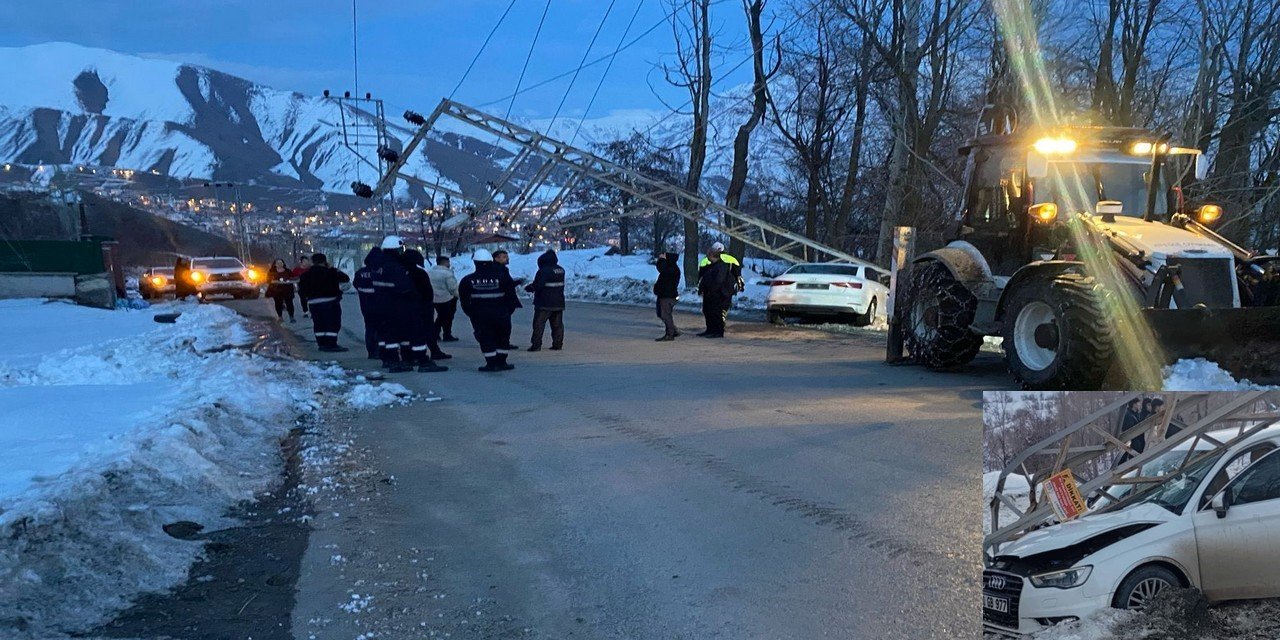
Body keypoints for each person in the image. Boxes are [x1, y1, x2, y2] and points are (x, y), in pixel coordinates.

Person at [459, 249, 519, 372]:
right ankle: (501, 362)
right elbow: (511, 297)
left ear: (475, 263)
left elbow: (464, 301)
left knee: (486, 338)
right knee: (503, 337)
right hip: (501, 314)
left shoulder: (467, 280)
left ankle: (491, 363)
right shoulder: (503, 278)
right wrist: (507, 312)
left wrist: (472, 314)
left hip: (480, 316)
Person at [400, 248, 450, 371]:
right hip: (421, 308)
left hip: (402, 309)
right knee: (425, 332)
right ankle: (425, 357)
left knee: (406, 334)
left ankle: (407, 357)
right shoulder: (420, 273)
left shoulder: (398, 272)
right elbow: (427, 292)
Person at [371, 236, 415, 373]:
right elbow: (404, 288)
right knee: (396, 336)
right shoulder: (396, 268)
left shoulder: (378, 266)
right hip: (396, 306)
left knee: (385, 335)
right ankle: (395, 361)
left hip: (380, 305)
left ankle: (387, 359)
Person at [297, 253, 350, 352]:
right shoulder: (331, 272)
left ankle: (321, 344)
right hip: (330, 302)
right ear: (324, 261)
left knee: (318, 323)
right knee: (332, 323)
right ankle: (331, 344)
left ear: (312, 262)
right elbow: (345, 278)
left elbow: (301, 290)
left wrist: (308, 297)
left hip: (313, 303)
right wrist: (333, 268)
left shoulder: (305, 275)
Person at [525, 249, 566, 351]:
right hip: (559, 302)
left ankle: (536, 345)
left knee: (539, 324)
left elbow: (538, 285)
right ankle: (558, 344)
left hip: (544, 302)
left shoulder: (543, 271)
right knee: (557, 325)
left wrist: (529, 288)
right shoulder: (561, 270)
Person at [352, 248, 385, 360]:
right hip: (381, 304)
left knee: (370, 327)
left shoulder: (360, 272)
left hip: (366, 304)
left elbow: (356, 284)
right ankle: (381, 351)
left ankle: (372, 352)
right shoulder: (382, 271)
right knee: (382, 328)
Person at [697, 249, 737, 338]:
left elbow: (718, 281)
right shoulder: (713, 266)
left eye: (708, 256)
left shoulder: (721, 266)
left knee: (716, 313)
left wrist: (711, 290)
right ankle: (710, 330)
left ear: (712, 256)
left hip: (718, 294)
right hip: (710, 293)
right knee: (708, 311)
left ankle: (718, 331)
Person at [491, 248, 524, 351]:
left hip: (501, 301)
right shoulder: (499, 270)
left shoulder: (499, 269)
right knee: (504, 325)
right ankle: (503, 343)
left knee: (500, 324)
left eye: (507, 257)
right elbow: (505, 284)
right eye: (504, 257)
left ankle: (500, 342)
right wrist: (516, 282)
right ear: (496, 258)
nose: (507, 259)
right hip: (503, 301)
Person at [428, 255, 460, 342]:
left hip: (434, 298)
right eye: (448, 262)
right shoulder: (447, 273)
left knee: (440, 316)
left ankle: (436, 334)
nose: (449, 264)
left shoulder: (429, 272)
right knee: (447, 317)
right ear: (445, 263)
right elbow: (452, 288)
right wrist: (458, 296)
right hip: (447, 298)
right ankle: (445, 334)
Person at [653, 251, 681, 341]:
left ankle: (670, 333)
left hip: (667, 295)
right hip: (666, 295)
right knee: (662, 314)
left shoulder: (671, 268)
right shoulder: (672, 268)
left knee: (665, 314)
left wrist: (661, 260)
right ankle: (672, 330)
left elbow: (661, 268)